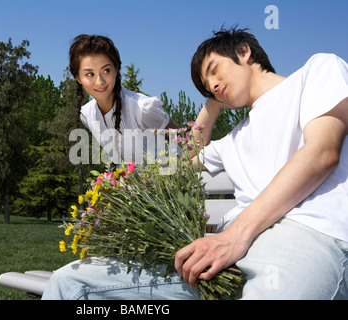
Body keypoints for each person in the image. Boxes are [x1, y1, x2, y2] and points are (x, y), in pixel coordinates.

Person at [43, 27, 348, 300]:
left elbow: (321, 153)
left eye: (215, 71)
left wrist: (233, 236)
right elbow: (184, 159)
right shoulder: (233, 141)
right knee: (70, 283)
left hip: (301, 241)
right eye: (205, 86)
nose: (213, 85)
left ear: (244, 51)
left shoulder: (316, 72)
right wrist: (212, 103)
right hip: (223, 262)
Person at [68, 34, 178, 165]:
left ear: (116, 69)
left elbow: (185, 140)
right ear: (78, 78)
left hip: (174, 178)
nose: (99, 82)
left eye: (106, 71)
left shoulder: (142, 109)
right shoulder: (87, 114)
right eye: (90, 74)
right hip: (133, 183)